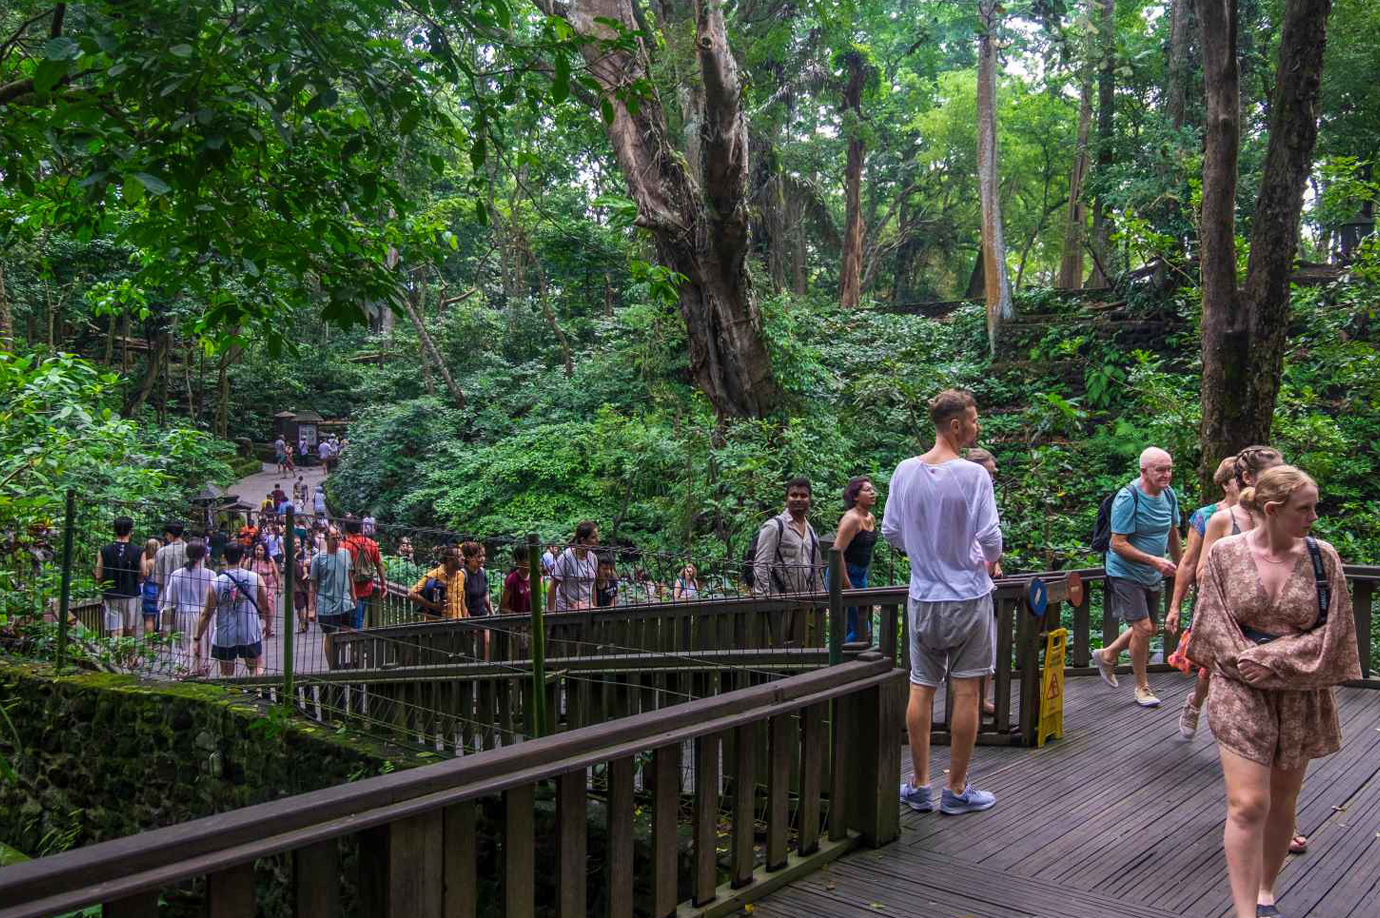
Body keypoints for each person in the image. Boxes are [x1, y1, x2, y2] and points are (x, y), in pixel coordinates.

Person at [1187, 466, 1359, 918]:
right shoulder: (1225, 554)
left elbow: (1336, 633)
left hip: (1299, 691)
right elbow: (1210, 622)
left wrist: (1276, 661)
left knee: (1283, 802)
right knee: (1248, 803)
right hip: (1239, 686)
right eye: (1305, 509)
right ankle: (1244, 912)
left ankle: (1266, 890)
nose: (1314, 517)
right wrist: (1248, 663)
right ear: (1271, 510)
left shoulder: (1325, 559)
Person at [885, 388, 1003, 816]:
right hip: (968, 597)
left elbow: (891, 532)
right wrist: (985, 561)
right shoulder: (973, 476)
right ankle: (956, 789)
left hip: (923, 596)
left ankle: (918, 784)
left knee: (922, 686)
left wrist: (924, 554)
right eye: (973, 420)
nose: (976, 426)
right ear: (955, 426)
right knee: (967, 691)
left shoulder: (903, 471)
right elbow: (991, 539)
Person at [1092, 446, 1181, 708]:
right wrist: (1155, 560)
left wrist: (1182, 565)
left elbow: (1173, 533)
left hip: (1151, 572)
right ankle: (1142, 687)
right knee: (1143, 628)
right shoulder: (1127, 497)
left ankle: (1108, 654)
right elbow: (1117, 543)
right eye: (1160, 470)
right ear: (1144, 471)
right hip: (1124, 571)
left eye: (1169, 469)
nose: (1166, 475)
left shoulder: (1169, 495)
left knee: (1149, 628)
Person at [1168, 456, 1246, 737]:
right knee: (1210, 666)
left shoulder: (1263, 512)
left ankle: (1233, 726)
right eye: (1238, 478)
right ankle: (1196, 703)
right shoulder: (1207, 516)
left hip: (1247, 605)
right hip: (1213, 601)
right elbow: (1189, 563)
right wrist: (1175, 606)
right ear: (1226, 484)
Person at [965, 448, 1005, 715]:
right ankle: (968, 702)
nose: (991, 480)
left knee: (988, 643)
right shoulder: (961, 494)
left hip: (983, 577)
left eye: (992, 475)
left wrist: (995, 561)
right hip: (965, 579)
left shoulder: (984, 495)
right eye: (988, 474)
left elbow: (988, 536)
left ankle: (983, 699)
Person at [196, 543, 269, 677]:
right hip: (249, 630)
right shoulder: (255, 578)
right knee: (256, 666)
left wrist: (197, 638)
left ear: (224, 557)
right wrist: (267, 625)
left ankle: (229, 695)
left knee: (226, 674)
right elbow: (265, 605)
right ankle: (257, 692)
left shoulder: (215, 582)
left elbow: (206, 614)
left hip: (225, 633)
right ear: (243, 557)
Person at [752, 477, 823, 595]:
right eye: (794, 495)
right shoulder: (774, 527)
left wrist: (819, 598)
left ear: (809, 499)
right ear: (787, 498)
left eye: (803, 496)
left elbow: (816, 569)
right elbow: (762, 566)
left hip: (804, 601)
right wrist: (762, 601)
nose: (798, 499)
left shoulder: (810, 531)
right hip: (778, 600)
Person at [833, 476, 879, 643]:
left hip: (860, 576)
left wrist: (862, 578)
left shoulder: (870, 517)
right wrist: (847, 584)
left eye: (873, 489)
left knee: (858, 626)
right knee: (862, 630)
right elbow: (837, 553)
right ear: (855, 497)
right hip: (843, 575)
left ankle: (843, 660)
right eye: (867, 490)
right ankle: (835, 658)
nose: (873, 493)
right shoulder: (851, 519)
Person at [162, 541, 216, 675]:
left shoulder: (177, 574)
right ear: (204, 555)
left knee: (184, 646)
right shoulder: (211, 575)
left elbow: (171, 600)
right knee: (203, 645)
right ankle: (202, 670)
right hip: (205, 615)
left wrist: (165, 625)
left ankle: (183, 671)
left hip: (183, 614)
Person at [310, 529, 354, 665]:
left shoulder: (346, 554)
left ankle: (340, 662)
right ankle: (332, 667)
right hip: (326, 604)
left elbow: (350, 576)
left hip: (345, 602)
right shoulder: (317, 559)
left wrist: (354, 596)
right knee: (330, 636)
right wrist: (311, 607)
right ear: (326, 539)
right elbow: (312, 584)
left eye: (339, 538)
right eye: (333, 538)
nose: (337, 541)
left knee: (345, 634)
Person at [95, 516, 141, 639]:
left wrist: (102, 589)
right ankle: (129, 657)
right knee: (130, 629)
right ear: (131, 530)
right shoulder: (139, 550)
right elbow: (144, 573)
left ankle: (116, 656)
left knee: (115, 629)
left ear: (114, 530)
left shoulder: (104, 550)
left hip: (111, 594)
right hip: (131, 593)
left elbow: (98, 574)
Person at [343, 518, 384, 629]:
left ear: (347, 530)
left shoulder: (344, 546)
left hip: (348, 590)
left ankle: (354, 643)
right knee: (359, 618)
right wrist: (383, 585)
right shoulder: (371, 543)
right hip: (366, 587)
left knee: (351, 620)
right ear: (361, 528)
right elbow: (379, 564)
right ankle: (355, 643)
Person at [549, 522, 600, 611]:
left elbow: (593, 587)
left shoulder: (593, 558)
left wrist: (594, 608)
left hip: (587, 610)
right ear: (583, 540)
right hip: (566, 610)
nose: (597, 540)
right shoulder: (566, 557)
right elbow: (553, 586)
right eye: (593, 537)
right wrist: (552, 613)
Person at [408, 545, 467, 619]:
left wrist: (466, 621)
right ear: (449, 560)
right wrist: (434, 606)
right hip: (437, 625)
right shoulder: (433, 575)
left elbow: (462, 600)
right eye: (459, 556)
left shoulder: (461, 575)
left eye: (463, 555)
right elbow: (411, 594)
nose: (463, 558)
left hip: (457, 623)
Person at [246, 541, 281, 639]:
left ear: (265, 551)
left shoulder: (270, 560)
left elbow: (276, 573)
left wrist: (279, 586)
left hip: (268, 587)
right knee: (256, 609)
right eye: (257, 549)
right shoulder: (250, 561)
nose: (258, 552)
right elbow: (244, 574)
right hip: (254, 588)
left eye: (261, 550)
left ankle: (268, 628)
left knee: (269, 607)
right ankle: (256, 628)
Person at [152, 523, 188, 612]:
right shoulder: (190, 549)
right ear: (182, 534)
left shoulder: (161, 552)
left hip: (167, 595)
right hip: (187, 596)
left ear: (168, 535)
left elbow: (158, 580)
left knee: (166, 624)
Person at [461, 541, 493, 617]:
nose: (482, 559)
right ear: (468, 558)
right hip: (469, 619)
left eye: (483, 555)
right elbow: (461, 602)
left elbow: (485, 595)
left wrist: (492, 613)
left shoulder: (483, 571)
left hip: (483, 616)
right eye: (479, 556)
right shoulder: (462, 575)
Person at [139, 537, 162, 636]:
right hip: (160, 589)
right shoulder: (162, 561)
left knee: (149, 618)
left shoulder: (148, 562)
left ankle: (149, 643)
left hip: (149, 590)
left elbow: (144, 576)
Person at [500, 546, 532, 614]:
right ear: (518, 561)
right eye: (528, 559)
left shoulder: (534, 578)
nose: (531, 561)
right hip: (517, 622)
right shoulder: (512, 579)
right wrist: (517, 616)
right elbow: (502, 608)